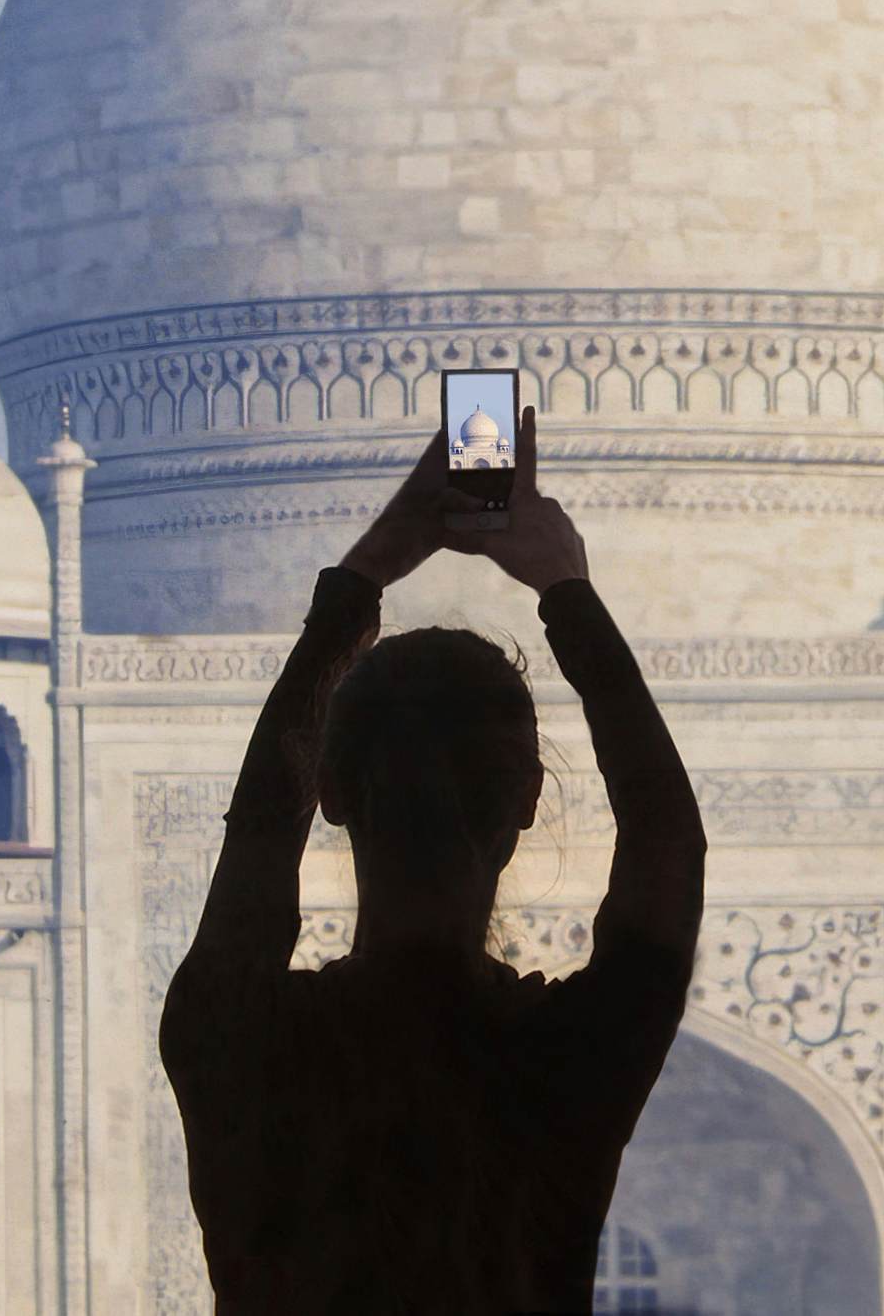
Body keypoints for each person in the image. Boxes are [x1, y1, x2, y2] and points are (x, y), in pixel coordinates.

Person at [163, 407, 704, 1313]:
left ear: (331, 792)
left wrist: (366, 573)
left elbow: (256, 828)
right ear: (529, 802)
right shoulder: (564, 1058)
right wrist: (563, 586)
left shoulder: (238, 1039)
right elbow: (667, 840)